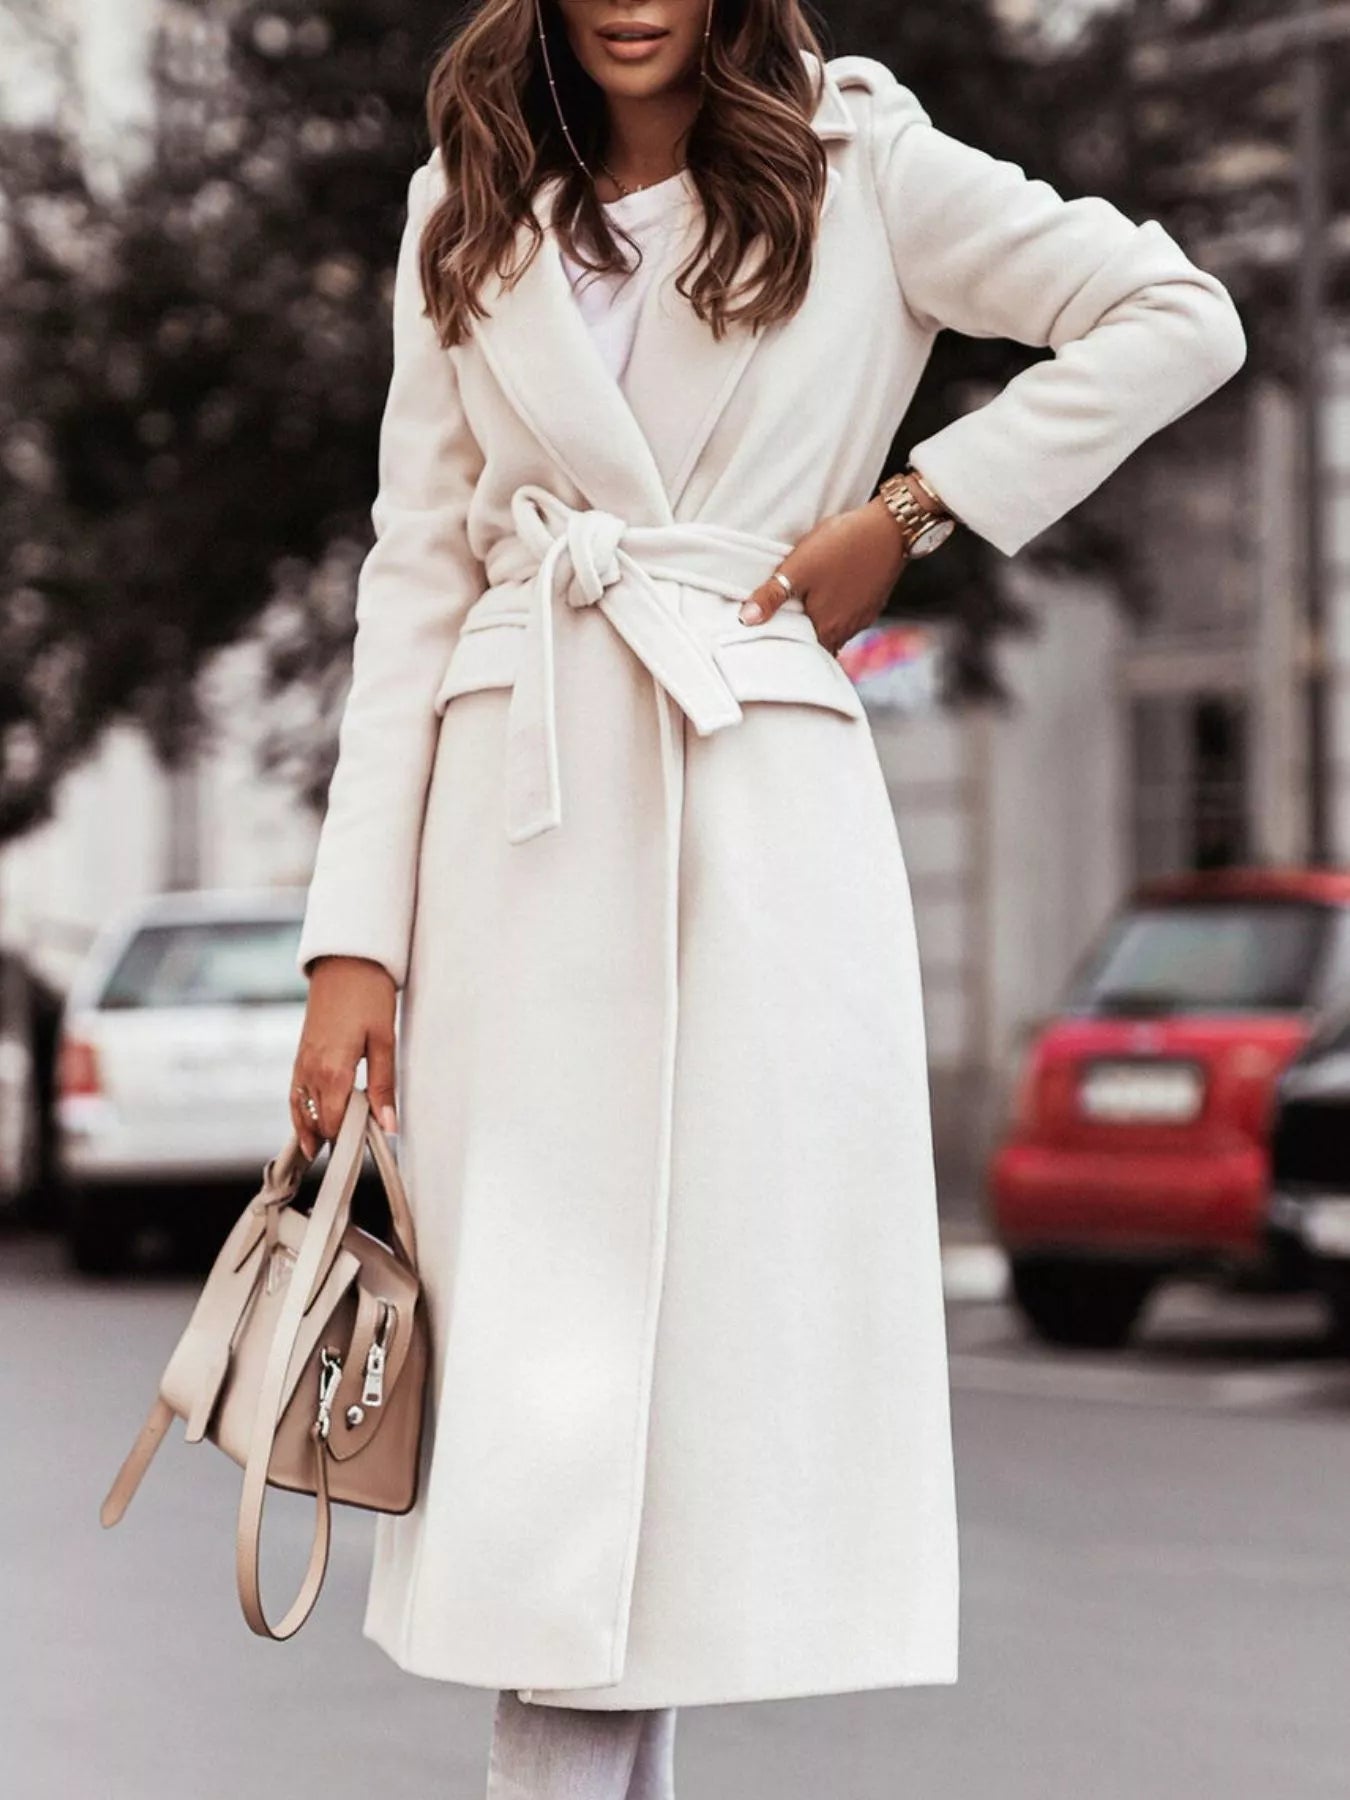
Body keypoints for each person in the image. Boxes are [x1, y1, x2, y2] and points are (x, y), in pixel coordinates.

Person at [288, 3, 1247, 1795]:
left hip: (752, 823)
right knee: (546, 1426)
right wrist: (355, 943)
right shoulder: (464, 199)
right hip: (517, 830)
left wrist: (918, 511)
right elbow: (411, 573)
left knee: (677, 1429)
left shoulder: (862, 163)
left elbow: (1176, 314)